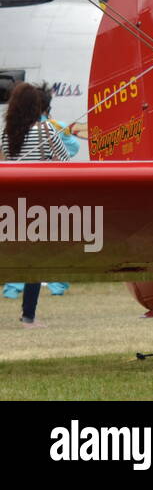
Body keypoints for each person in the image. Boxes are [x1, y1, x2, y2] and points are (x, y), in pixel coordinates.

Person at [1, 82, 72, 328]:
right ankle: (28, 316)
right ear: (36, 106)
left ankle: (27, 315)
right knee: (35, 262)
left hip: (12, 206)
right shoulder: (46, 131)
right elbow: (64, 161)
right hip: (39, 206)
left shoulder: (6, 136)